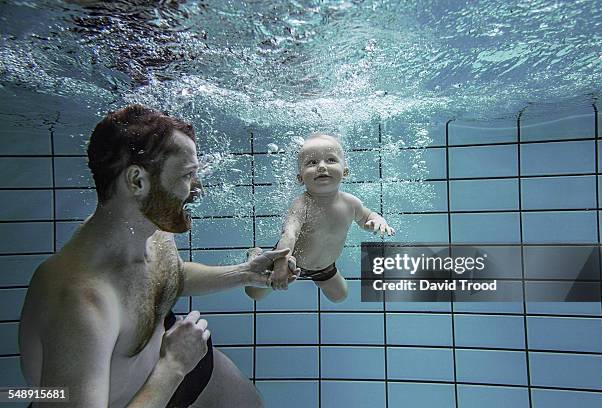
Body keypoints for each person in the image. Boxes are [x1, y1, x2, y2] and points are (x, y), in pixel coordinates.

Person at [18, 104, 298, 408]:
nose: (198, 189)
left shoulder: (153, 229)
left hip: (167, 365)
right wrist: (173, 366)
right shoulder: (79, 300)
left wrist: (245, 273)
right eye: (188, 175)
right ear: (137, 181)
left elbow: (168, 276)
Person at [245, 132, 395, 303]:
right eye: (312, 162)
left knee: (339, 296)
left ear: (345, 171)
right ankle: (255, 256)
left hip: (325, 266)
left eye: (331, 160)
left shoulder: (351, 203)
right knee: (254, 293)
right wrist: (280, 265)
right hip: (289, 260)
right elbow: (289, 235)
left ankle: (315, 277)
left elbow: (367, 217)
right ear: (300, 178)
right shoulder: (302, 204)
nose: (322, 167)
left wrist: (377, 220)